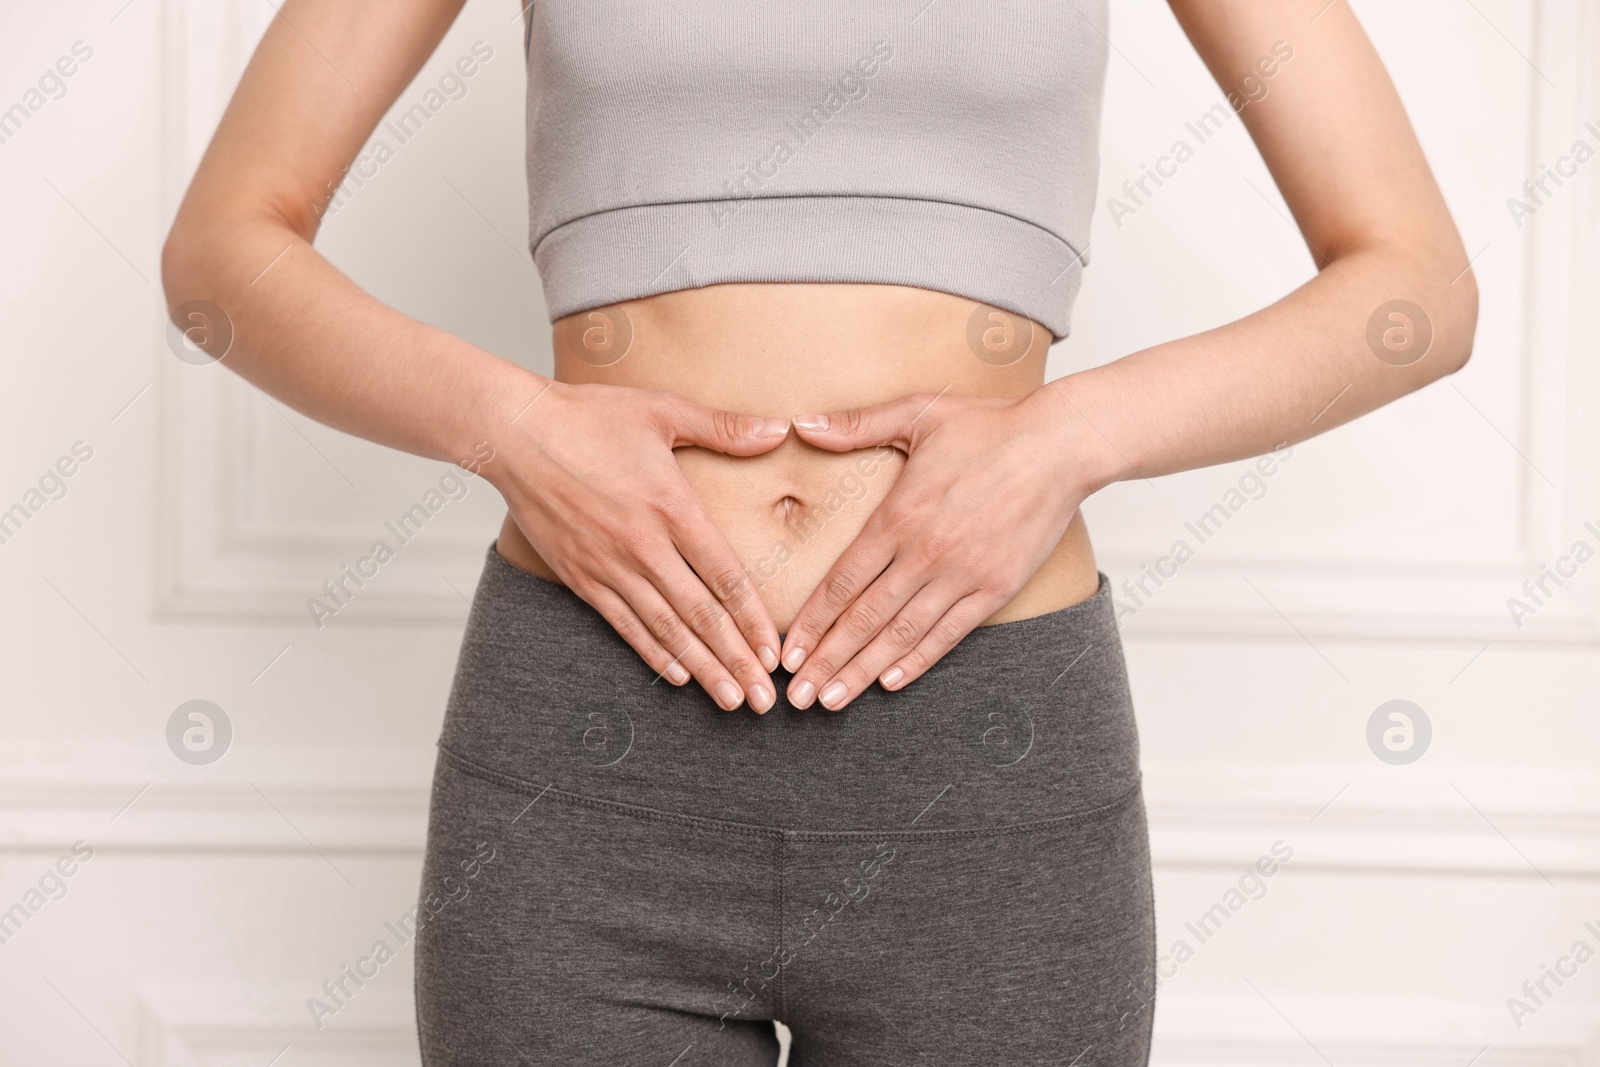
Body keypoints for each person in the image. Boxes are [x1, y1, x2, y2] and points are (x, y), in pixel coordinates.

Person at [162, 0, 1476, 1062]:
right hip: (590, 744)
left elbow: (1415, 285)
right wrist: (508, 426)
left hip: (984, 763)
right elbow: (220, 252)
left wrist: (1076, 437)